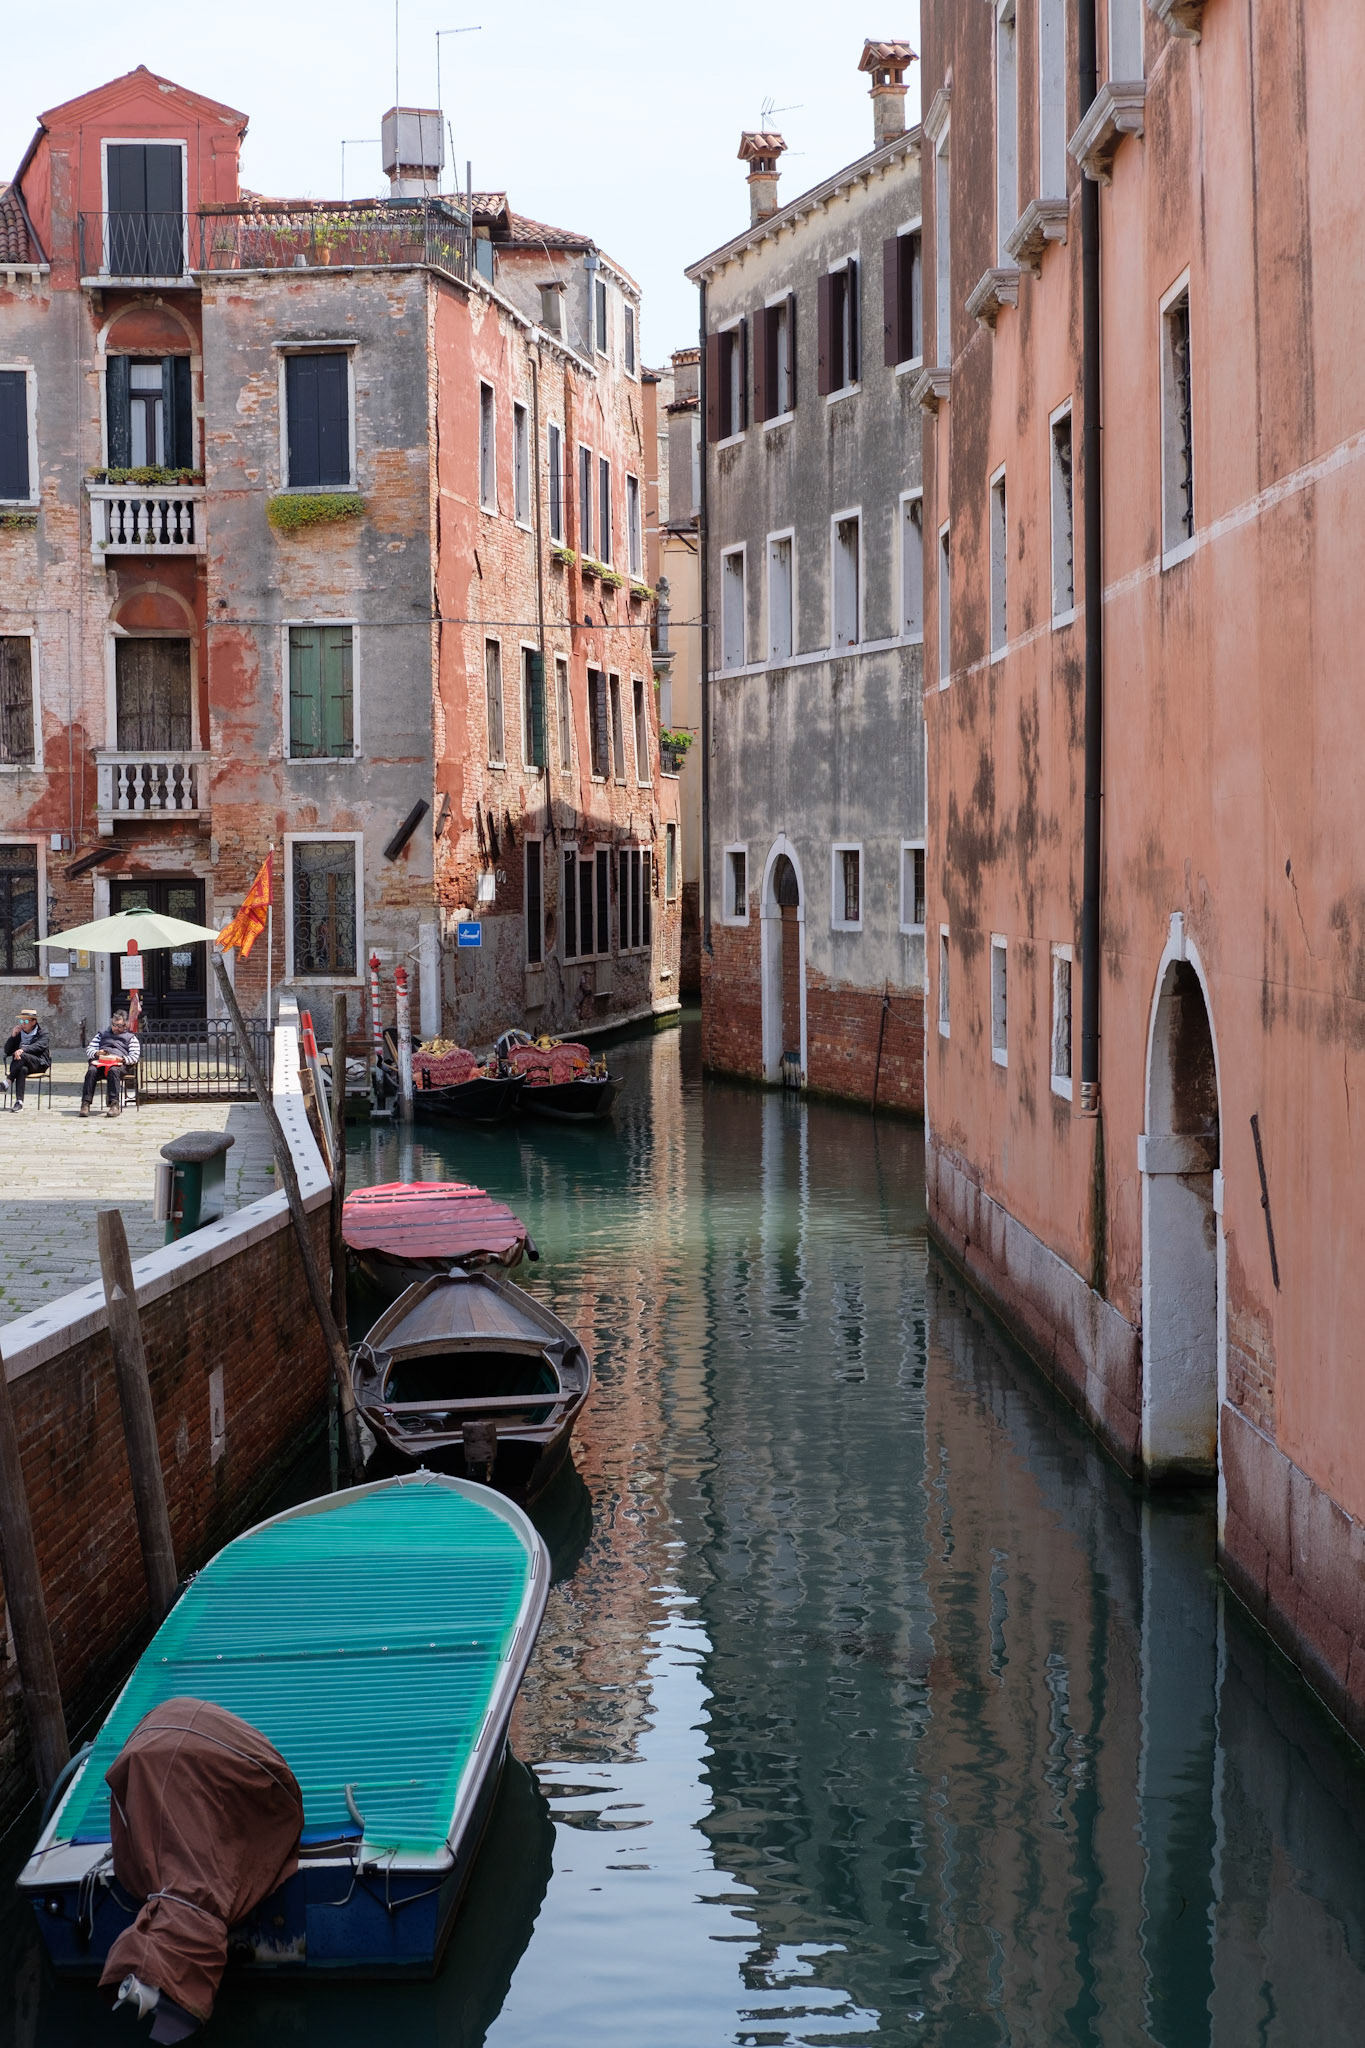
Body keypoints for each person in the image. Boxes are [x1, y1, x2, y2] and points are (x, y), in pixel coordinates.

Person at [80, 1011, 139, 1118]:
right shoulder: (101, 1035)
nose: (115, 1028)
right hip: (100, 1063)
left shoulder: (131, 1038)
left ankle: (114, 1104)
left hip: (118, 1065)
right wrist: (97, 1053)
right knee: (91, 1071)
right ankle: (85, 1104)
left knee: (113, 1071)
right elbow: (89, 1050)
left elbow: (135, 1057)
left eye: (119, 1026)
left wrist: (122, 1059)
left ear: (125, 1025)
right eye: (114, 1025)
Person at [3, 1007, 51, 1109]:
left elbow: (39, 1046)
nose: (22, 1024)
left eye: (25, 1021)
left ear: (34, 1022)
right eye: (21, 1021)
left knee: (23, 1055)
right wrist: (13, 1036)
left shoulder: (43, 1033)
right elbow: (7, 1051)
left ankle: (7, 1082)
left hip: (38, 1064)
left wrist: (23, 1050)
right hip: (20, 1065)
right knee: (22, 1069)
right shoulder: (19, 1034)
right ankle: (19, 1102)